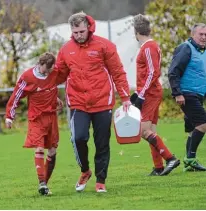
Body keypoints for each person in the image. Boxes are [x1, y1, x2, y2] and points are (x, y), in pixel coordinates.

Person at [55, 12, 131, 193]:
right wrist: (50, 95)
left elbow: (118, 72)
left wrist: (126, 97)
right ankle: (85, 171)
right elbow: (58, 75)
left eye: (81, 31)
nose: (78, 36)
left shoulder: (105, 46)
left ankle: (101, 180)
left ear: (89, 28)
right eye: (75, 33)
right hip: (78, 102)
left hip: (103, 101)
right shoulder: (65, 50)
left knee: (102, 142)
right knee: (78, 138)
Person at [5, 52, 63, 195]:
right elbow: (16, 96)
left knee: (53, 151)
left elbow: (51, 86)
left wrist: (55, 99)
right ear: (41, 64)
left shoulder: (54, 71)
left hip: (51, 117)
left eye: (51, 70)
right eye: (47, 69)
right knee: (39, 148)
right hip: (36, 118)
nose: (49, 72)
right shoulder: (27, 77)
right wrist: (9, 116)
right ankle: (42, 183)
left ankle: (44, 185)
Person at [130, 14, 180, 176]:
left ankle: (170, 158)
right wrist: (138, 92)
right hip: (149, 92)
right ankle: (158, 167)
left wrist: (142, 94)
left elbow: (153, 72)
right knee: (151, 130)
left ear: (136, 31)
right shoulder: (149, 46)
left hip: (150, 93)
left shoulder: (148, 47)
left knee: (143, 131)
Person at [168, 23, 206, 172]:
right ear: (193, 35)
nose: (203, 37)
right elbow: (173, 71)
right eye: (201, 34)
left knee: (192, 128)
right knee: (203, 124)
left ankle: (189, 164)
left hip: (198, 94)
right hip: (186, 94)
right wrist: (177, 93)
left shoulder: (202, 52)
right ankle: (190, 158)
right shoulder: (185, 48)